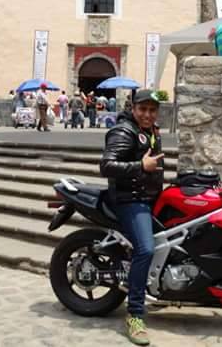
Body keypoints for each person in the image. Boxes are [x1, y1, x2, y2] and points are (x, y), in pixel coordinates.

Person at [99, 89, 165, 346]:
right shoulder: (123, 131)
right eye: (143, 109)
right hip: (130, 200)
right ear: (133, 108)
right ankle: (135, 314)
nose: (148, 114)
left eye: (152, 110)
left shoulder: (151, 130)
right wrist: (140, 167)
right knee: (145, 249)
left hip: (149, 197)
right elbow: (106, 165)